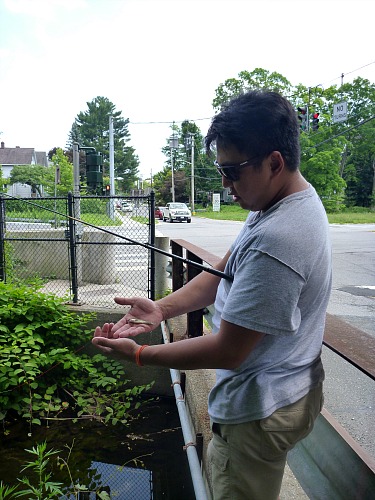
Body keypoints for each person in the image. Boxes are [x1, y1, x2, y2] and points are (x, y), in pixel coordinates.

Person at [92, 90, 332, 500]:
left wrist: (138, 355)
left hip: (259, 412)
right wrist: (160, 309)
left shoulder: (279, 236)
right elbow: (221, 271)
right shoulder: (275, 203)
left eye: (233, 170)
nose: (225, 183)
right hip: (284, 388)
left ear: (275, 162)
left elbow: (227, 351)